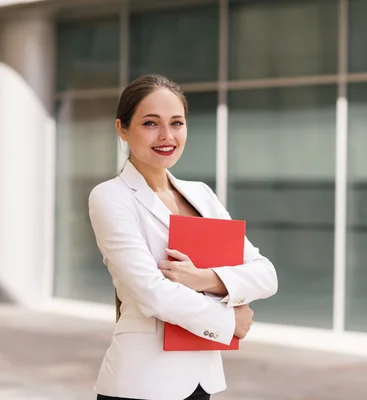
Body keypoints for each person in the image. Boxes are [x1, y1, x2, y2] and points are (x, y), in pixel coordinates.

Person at [88, 74, 278, 400]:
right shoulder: (111, 196)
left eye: (177, 123)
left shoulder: (201, 195)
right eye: (150, 123)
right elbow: (151, 293)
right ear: (122, 129)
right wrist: (228, 319)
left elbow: (265, 274)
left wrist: (203, 278)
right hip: (143, 383)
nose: (167, 136)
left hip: (200, 380)